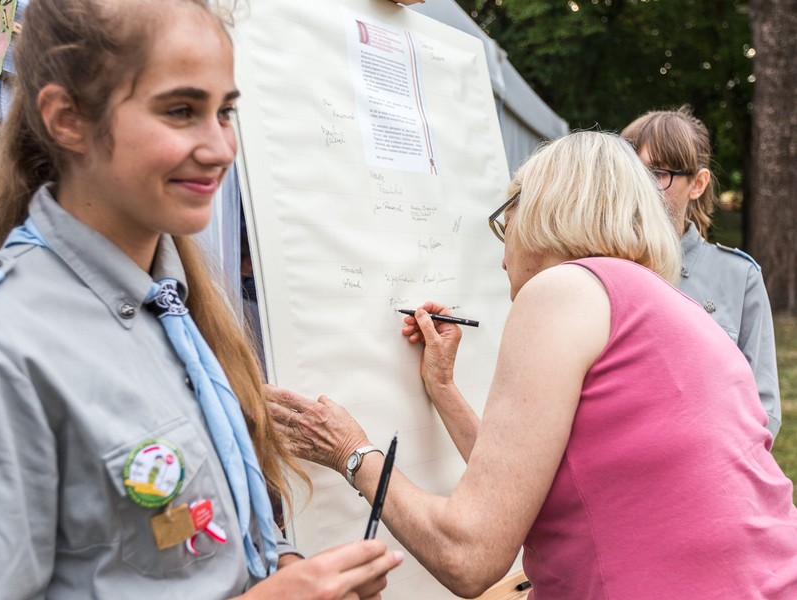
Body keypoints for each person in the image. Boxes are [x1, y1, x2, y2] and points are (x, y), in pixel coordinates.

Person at [0, 0, 403, 597]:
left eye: (225, 112)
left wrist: (288, 570)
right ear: (67, 119)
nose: (220, 148)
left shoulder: (180, 310)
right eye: (181, 111)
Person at [267, 131, 797, 599]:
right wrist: (445, 388)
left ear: (543, 209)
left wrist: (351, 453)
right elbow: (530, 485)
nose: (501, 257)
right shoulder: (671, 306)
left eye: (506, 223)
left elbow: (470, 556)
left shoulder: (564, 288)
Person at [622, 107, 781, 439]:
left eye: (657, 173)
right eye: (630, 172)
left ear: (697, 183)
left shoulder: (739, 278)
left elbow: (763, 410)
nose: (640, 188)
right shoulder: (598, 270)